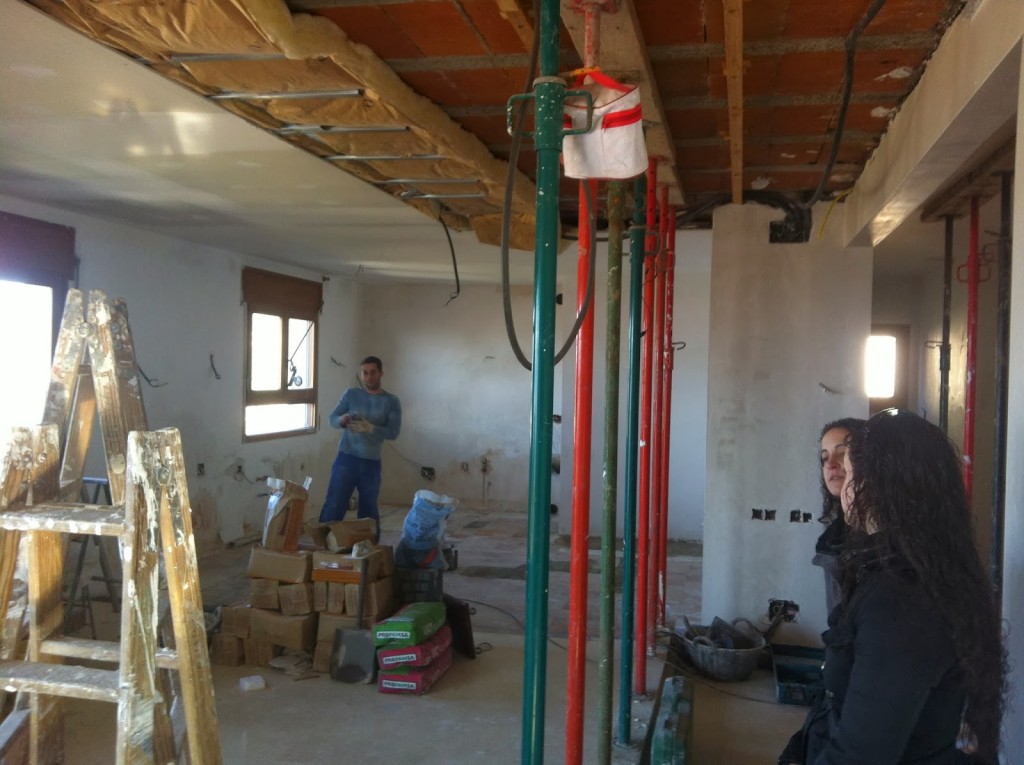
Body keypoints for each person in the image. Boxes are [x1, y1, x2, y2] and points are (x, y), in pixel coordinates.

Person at [779, 410, 1006, 765]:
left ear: (878, 485)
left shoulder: (901, 602)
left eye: (851, 473)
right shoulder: (914, 566)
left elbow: (859, 754)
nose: (844, 488)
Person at [319, 356, 402, 541]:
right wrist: (342, 420)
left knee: (368, 510)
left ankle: (368, 550)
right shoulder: (351, 394)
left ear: (381, 373)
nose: (369, 377)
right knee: (334, 504)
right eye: (365, 373)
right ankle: (324, 546)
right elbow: (331, 418)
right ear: (362, 374)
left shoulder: (391, 401)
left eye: (373, 372)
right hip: (346, 459)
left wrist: (371, 428)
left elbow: (393, 432)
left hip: (371, 463)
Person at [813, 418, 865, 616]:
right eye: (825, 457)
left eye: (842, 454)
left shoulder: (894, 535)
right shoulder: (833, 539)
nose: (830, 464)